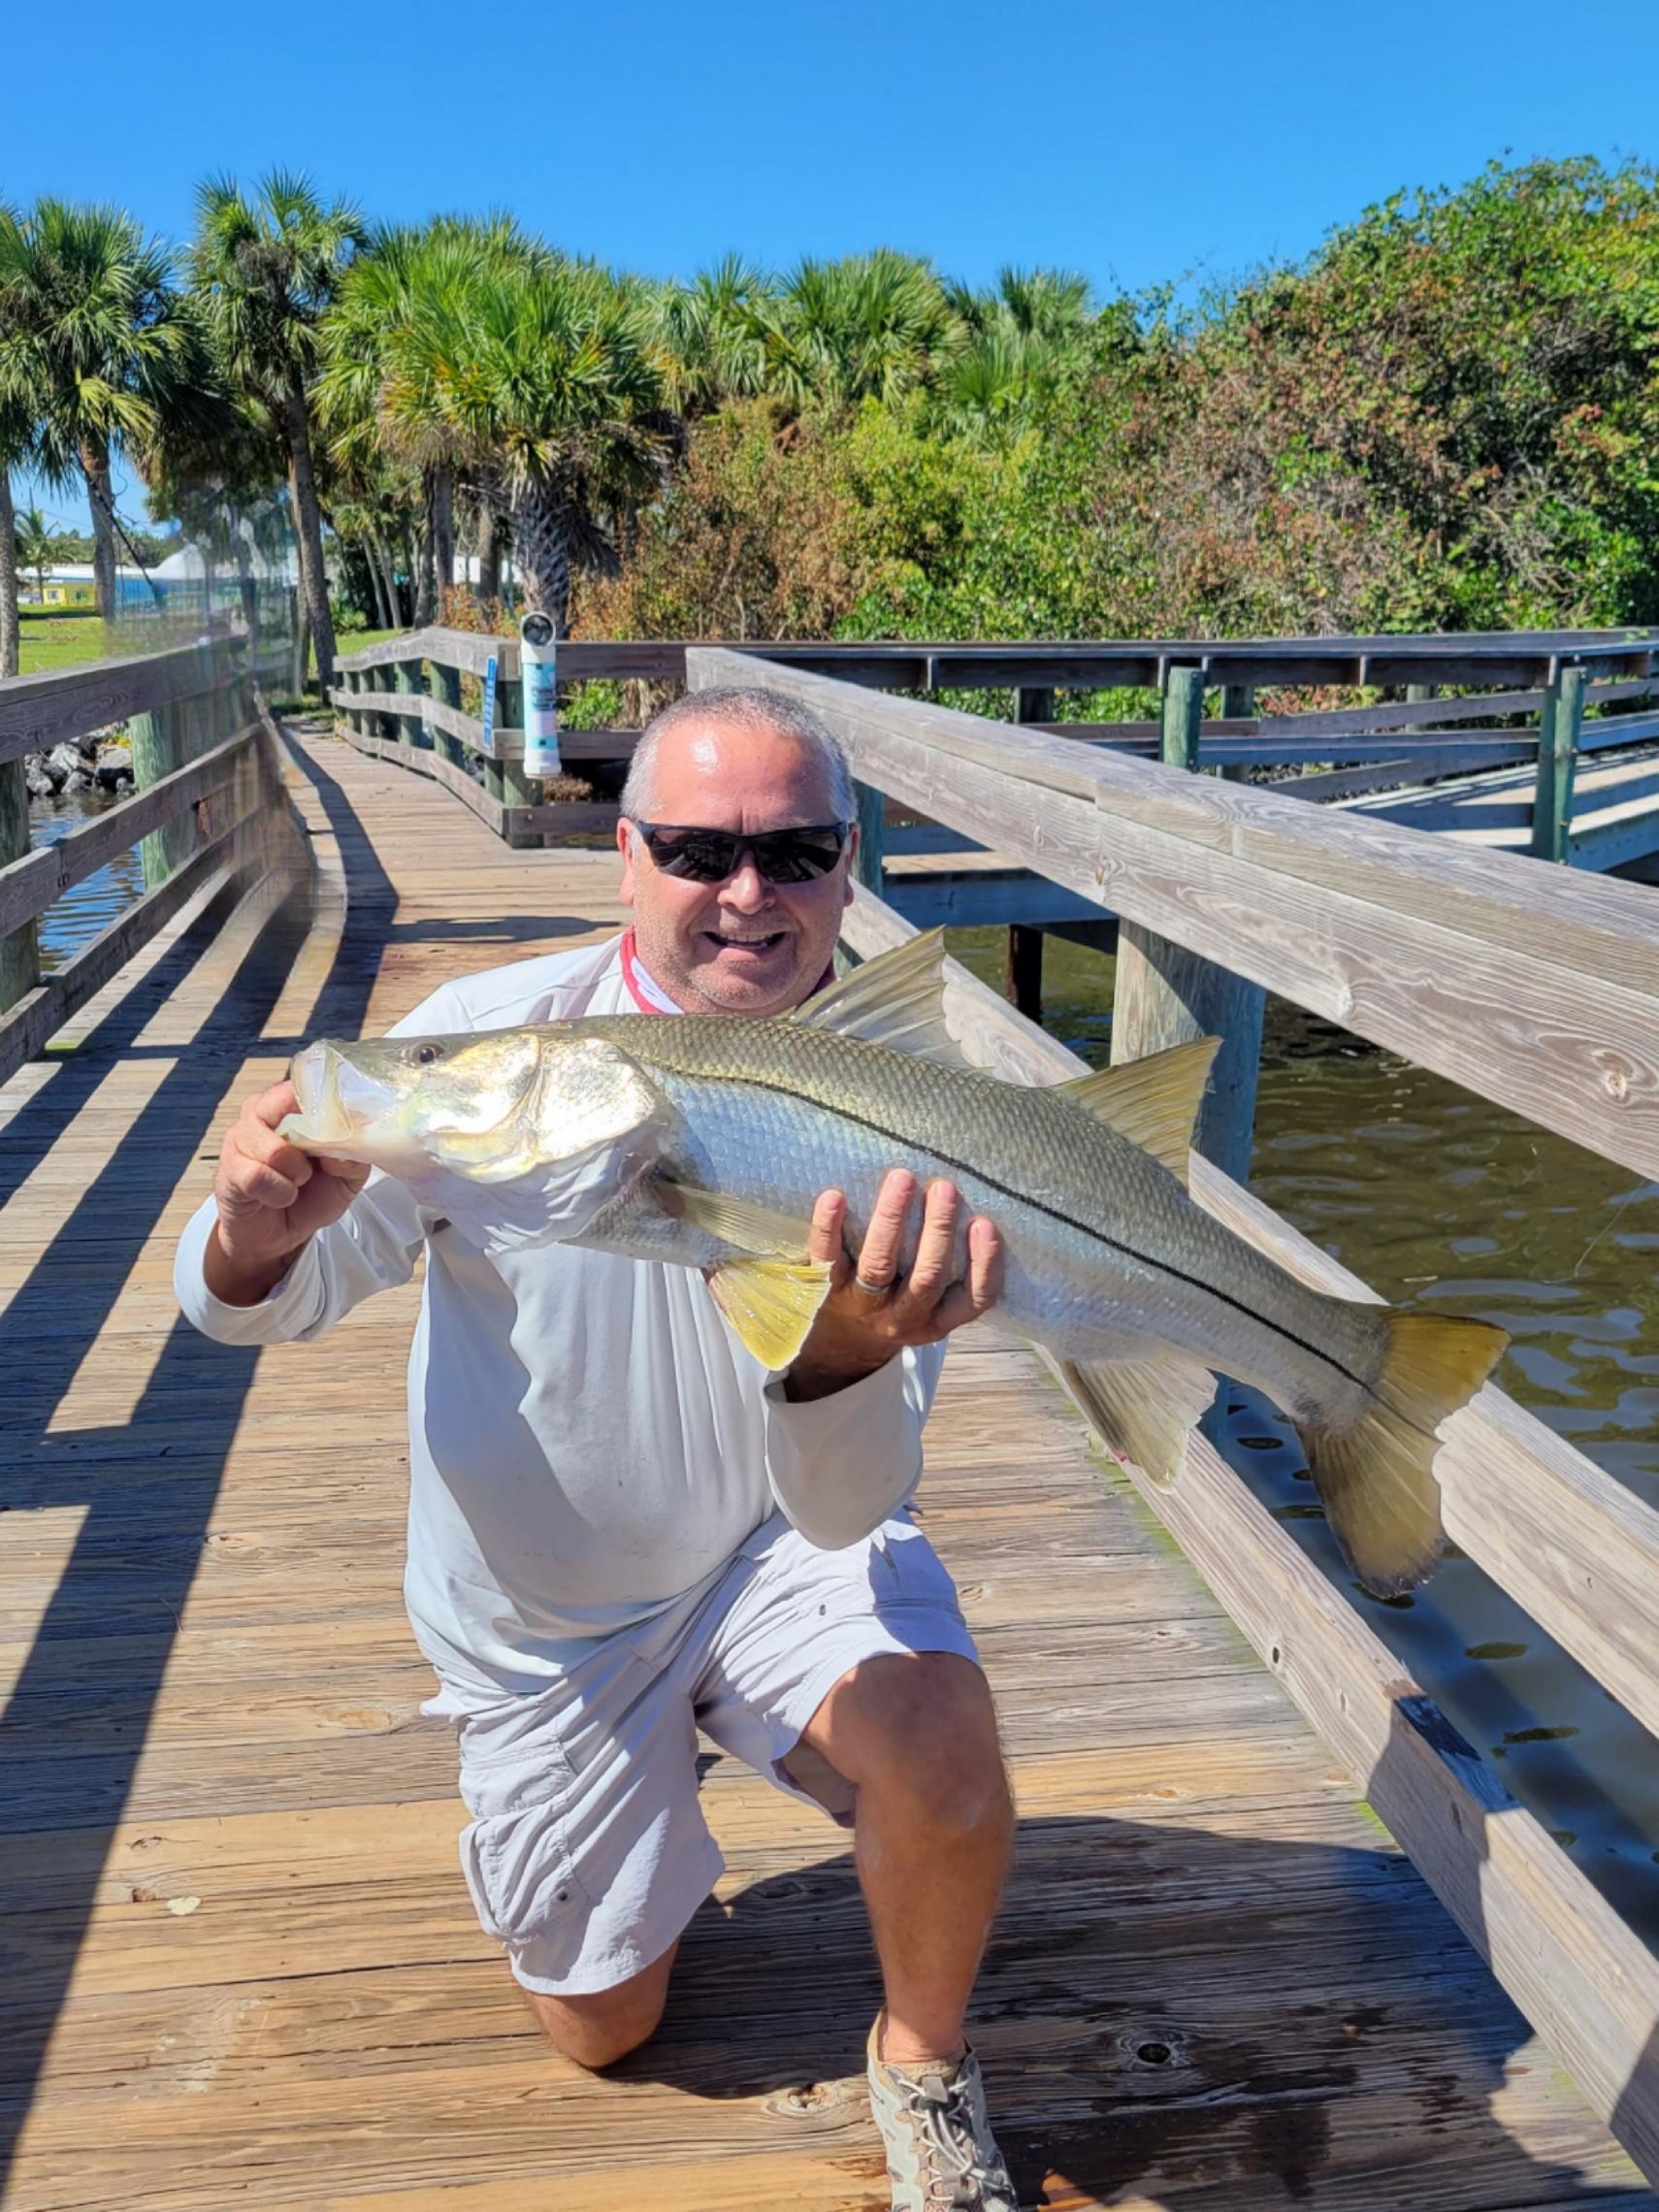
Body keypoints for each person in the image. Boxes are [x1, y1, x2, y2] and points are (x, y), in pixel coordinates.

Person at [175, 686, 1019, 2211]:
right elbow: (254, 1307)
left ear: (847, 868)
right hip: (547, 1629)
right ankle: (578, 1804)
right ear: (623, 858)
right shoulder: (482, 1049)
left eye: (794, 850)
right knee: (605, 2032)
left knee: (946, 1755)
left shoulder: (923, 1123)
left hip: (779, 1553)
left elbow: (847, 1505)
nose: (745, 894)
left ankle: (923, 2063)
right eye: (697, 850)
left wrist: (843, 1346)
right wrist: (246, 1233)